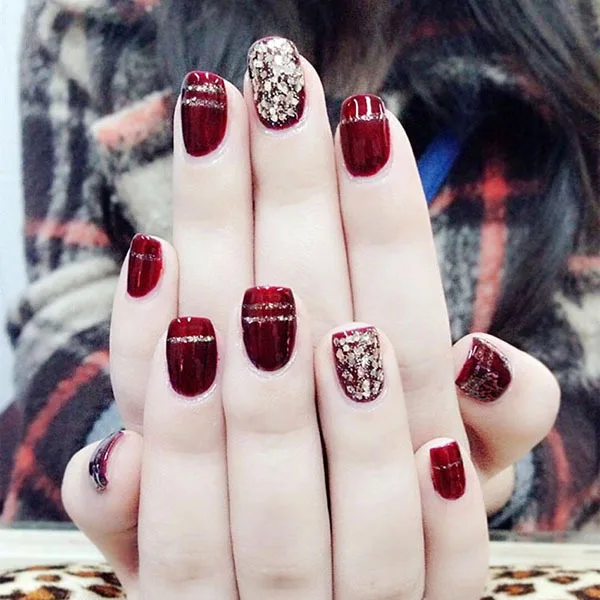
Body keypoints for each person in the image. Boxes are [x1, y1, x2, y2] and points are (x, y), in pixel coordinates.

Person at [0, 0, 598, 595]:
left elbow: (584, 370)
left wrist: (492, 473)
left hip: (489, 547)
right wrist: (151, 452)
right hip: (102, 550)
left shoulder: (577, 30)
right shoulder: (86, 15)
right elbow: (63, 311)